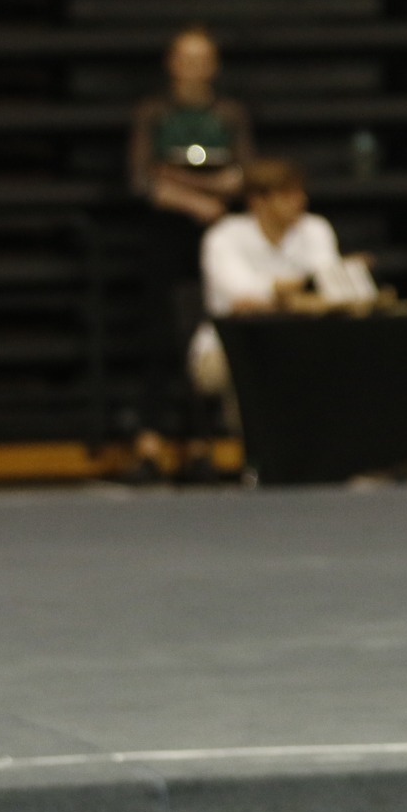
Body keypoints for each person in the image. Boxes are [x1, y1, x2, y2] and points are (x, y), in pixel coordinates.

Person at [125, 24, 253, 479]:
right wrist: (197, 195)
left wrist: (181, 182)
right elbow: (143, 180)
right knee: (161, 337)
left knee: (207, 339)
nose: (195, 67)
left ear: (214, 65)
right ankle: (150, 443)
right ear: (172, 63)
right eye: (186, 57)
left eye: (204, 58)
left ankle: (205, 444)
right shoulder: (154, 112)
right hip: (165, 234)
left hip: (215, 236)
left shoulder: (229, 114)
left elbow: (243, 175)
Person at [187, 158, 345, 417]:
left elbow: (331, 287)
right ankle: (254, 451)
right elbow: (240, 296)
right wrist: (302, 291)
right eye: (287, 194)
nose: (300, 201)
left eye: (299, 192)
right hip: (228, 345)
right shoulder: (224, 236)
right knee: (254, 364)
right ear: (257, 201)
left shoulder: (315, 229)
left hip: (304, 341)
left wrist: (279, 295)